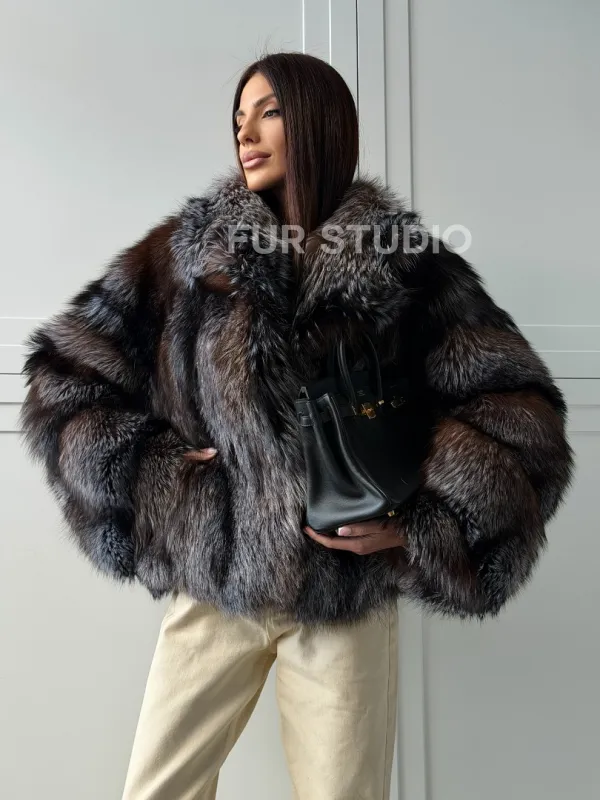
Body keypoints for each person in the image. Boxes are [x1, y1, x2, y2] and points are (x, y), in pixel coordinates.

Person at [19, 51, 574, 800]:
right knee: (157, 791)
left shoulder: (407, 264)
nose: (245, 133)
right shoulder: (183, 256)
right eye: (238, 117)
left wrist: (418, 524)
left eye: (269, 112)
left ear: (318, 122)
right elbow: (64, 377)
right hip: (216, 585)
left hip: (343, 597)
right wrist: (160, 473)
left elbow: (519, 413)